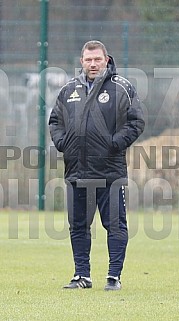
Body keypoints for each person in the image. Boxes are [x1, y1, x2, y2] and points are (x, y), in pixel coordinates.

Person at [49, 40, 145, 290]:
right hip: (76, 171)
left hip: (109, 172)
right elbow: (54, 120)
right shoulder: (69, 89)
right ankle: (82, 275)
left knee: (114, 225)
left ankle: (114, 276)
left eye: (97, 59)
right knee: (78, 225)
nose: (93, 64)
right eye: (88, 60)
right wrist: (62, 143)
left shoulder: (121, 88)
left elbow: (136, 122)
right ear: (81, 61)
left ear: (106, 60)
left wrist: (115, 143)